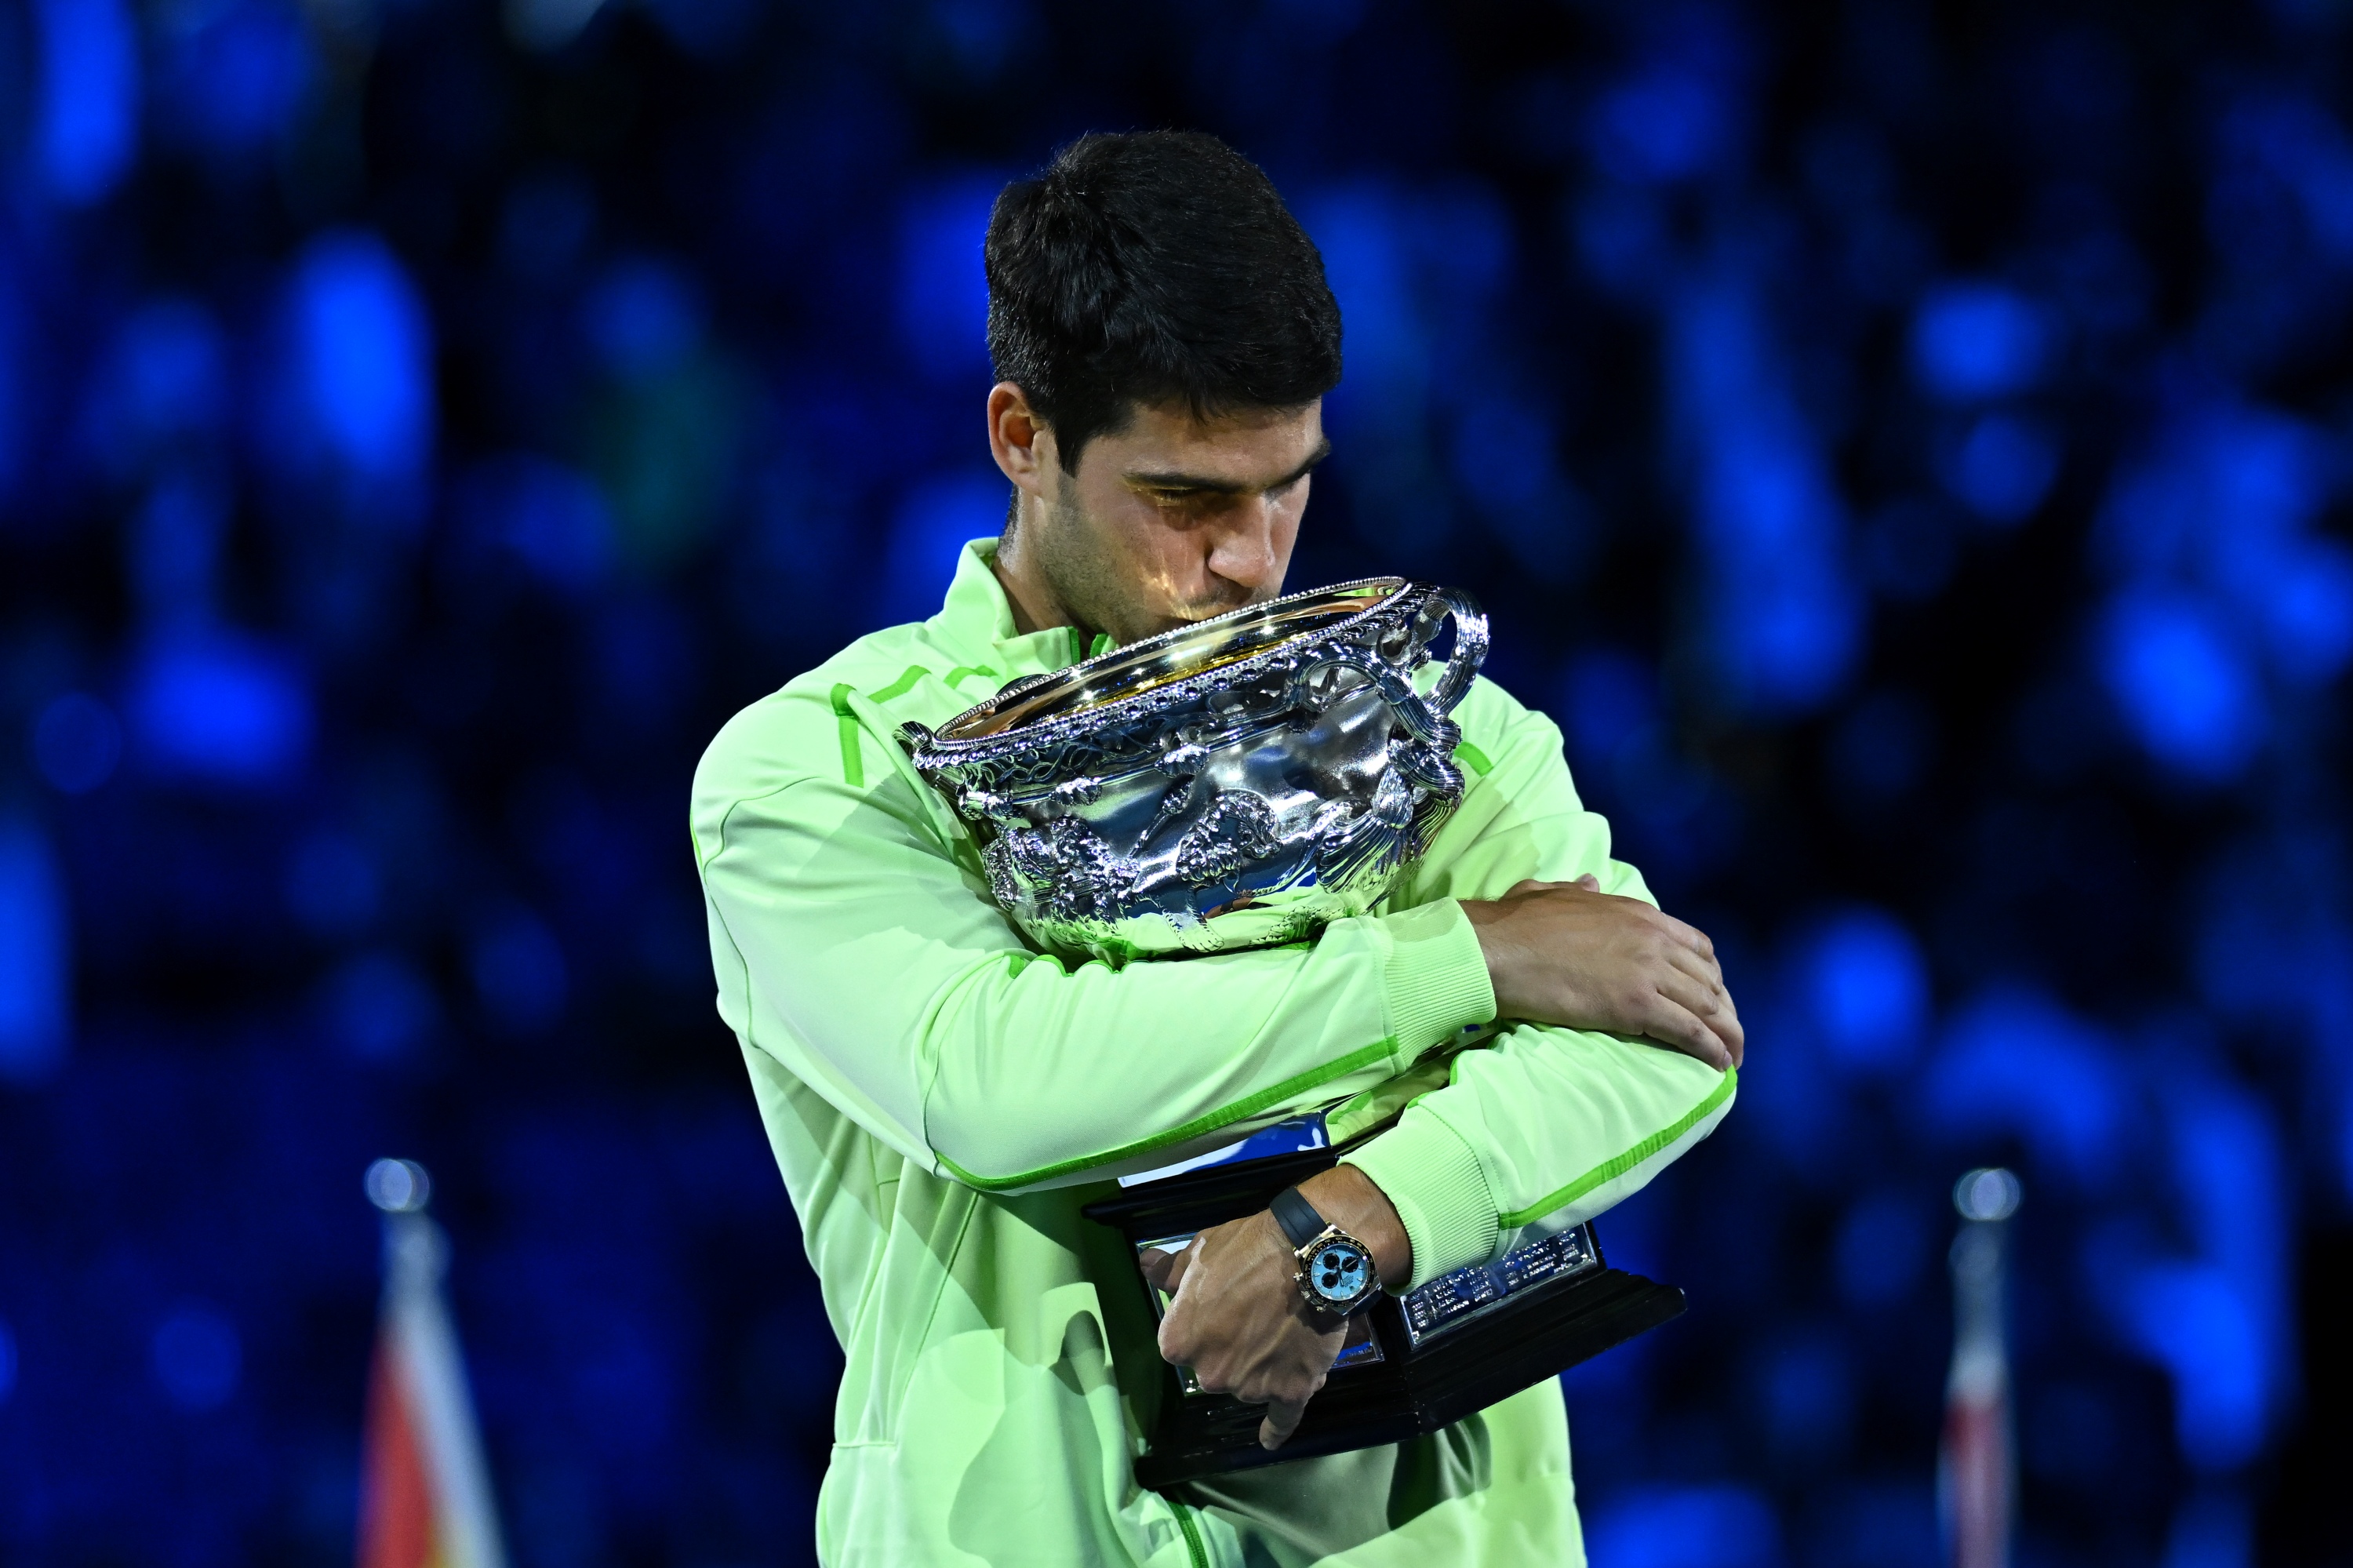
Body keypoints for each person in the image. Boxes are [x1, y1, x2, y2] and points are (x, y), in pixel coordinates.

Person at [692, 129, 1744, 1568]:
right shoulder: (818, 769)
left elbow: (1666, 1037)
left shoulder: (1446, 729)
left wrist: (1356, 1224)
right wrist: (1465, 963)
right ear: (1022, 438)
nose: (1251, 556)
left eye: (1288, 484)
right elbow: (991, 1080)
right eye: (1186, 500)